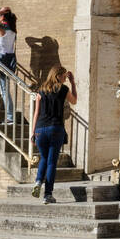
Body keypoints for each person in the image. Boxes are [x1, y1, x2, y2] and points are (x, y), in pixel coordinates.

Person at [30, 66, 77, 203]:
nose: (65, 79)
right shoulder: (63, 89)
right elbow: (74, 100)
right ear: (57, 76)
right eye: (63, 76)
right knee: (51, 162)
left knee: (44, 158)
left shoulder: (41, 91)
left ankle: (38, 181)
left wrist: (33, 133)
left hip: (40, 129)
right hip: (55, 129)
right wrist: (73, 83)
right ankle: (48, 194)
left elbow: (36, 113)